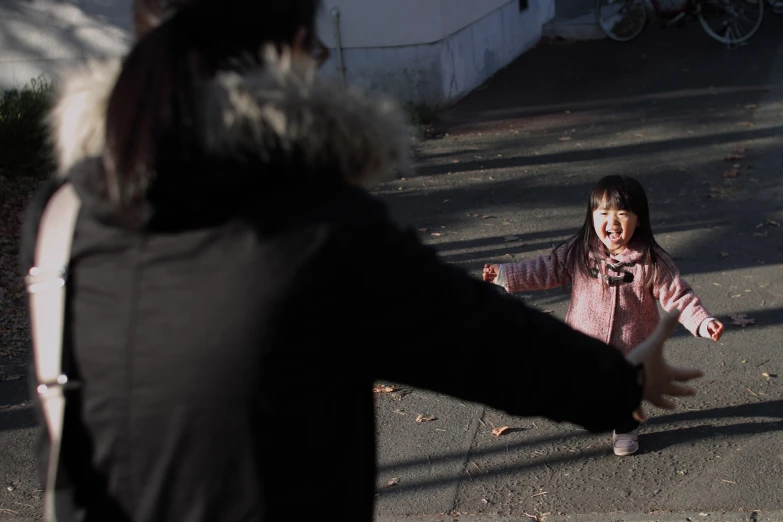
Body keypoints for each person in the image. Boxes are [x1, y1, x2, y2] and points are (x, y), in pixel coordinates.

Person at [21, 1, 702, 520]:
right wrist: (620, 383)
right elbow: (484, 346)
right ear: (292, 52)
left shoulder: (59, 214)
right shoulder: (314, 231)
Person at [483, 174, 723, 457]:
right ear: (592, 217)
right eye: (604, 213)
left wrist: (703, 322)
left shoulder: (652, 261)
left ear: (639, 220)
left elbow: (678, 296)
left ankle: (625, 427)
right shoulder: (579, 252)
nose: (613, 221)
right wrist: (505, 274)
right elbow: (545, 269)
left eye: (623, 214)